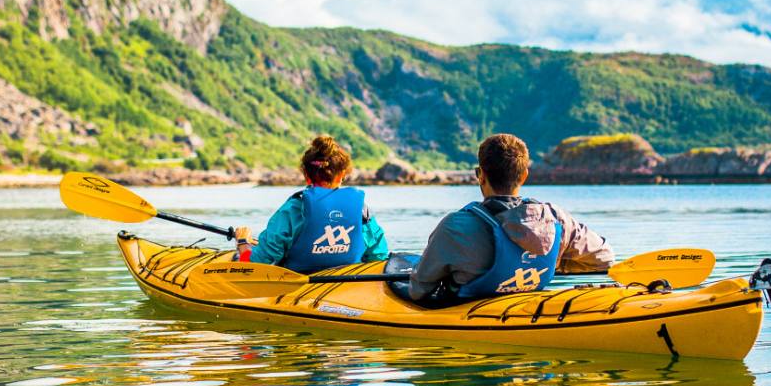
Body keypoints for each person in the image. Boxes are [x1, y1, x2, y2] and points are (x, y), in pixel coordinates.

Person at [408, 133, 614, 303]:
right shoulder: (555, 219)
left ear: (480, 175)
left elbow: (418, 290)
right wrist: (553, 262)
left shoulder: (455, 227)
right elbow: (604, 259)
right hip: (528, 306)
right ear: (524, 175)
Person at [235, 135, 389, 272]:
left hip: (300, 283)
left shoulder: (294, 209)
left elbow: (256, 264)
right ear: (342, 175)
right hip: (344, 286)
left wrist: (243, 242)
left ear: (306, 176)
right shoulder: (361, 211)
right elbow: (379, 256)